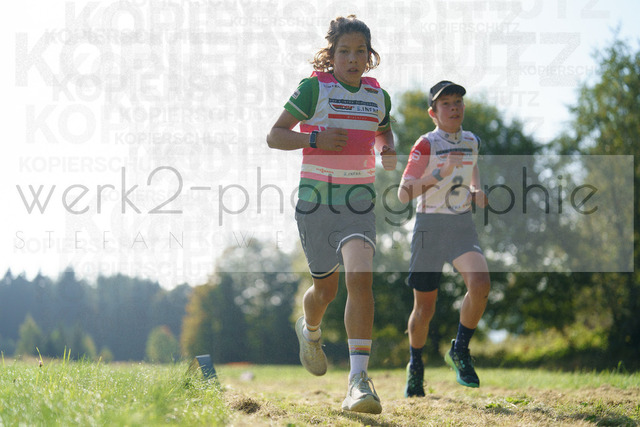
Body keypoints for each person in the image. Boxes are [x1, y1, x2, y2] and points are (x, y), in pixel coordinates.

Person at [266, 15, 396, 414]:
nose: (352, 59)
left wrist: (388, 148)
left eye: (360, 51)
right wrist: (316, 137)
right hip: (316, 203)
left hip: (358, 204)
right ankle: (310, 330)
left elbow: (383, 130)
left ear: (369, 56)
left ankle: (358, 381)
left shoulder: (379, 96)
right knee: (326, 291)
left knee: (360, 277)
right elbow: (275, 135)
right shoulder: (314, 88)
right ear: (332, 54)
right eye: (344, 51)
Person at [397, 81, 491, 397]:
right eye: (446, 104)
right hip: (429, 227)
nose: (454, 108)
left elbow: (472, 167)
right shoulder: (426, 144)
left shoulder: (472, 140)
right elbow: (403, 193)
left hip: (460, 224)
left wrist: (476, 189)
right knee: (425, 309)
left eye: (458, 102)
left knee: (480, 283)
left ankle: (460, 350)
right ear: (433, 113)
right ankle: (416, 365)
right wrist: (439, 174)